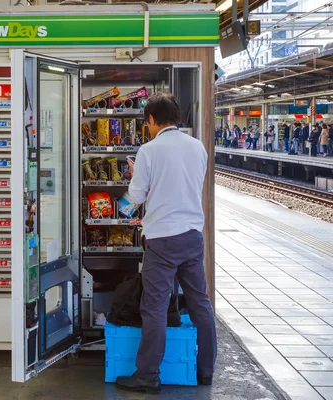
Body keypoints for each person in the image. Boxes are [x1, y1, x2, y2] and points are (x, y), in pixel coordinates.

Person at [116, 92, 217, 394]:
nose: (146, 128)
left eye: (146, 122)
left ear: (152, 120)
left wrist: (127, 194)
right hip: (191, 236)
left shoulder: (149, 150)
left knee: (155, 308)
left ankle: (147, 375)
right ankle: (207, 370)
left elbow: (135, 197)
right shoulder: (197, 146)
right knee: (200, 303)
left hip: (161, 239)